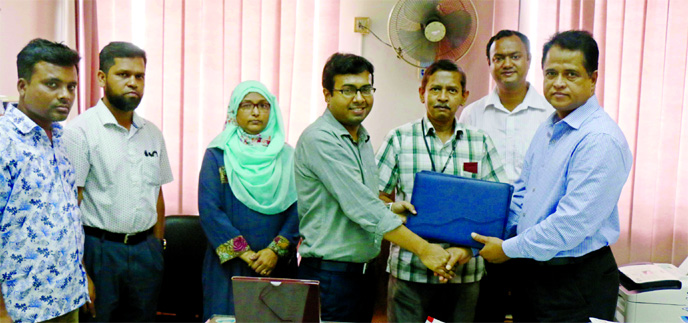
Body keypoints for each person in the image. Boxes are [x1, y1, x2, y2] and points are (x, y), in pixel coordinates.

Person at [473, 30, 633, 322]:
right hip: (534, 271)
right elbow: (523, 191)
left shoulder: (599, 139)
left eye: (571, 74)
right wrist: (500, 232)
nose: (558, 83)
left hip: (576, 280)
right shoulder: (550, 126)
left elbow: (571, 224)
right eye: (551, 73)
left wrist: (507, 249)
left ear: (592, 79)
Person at [294, 53, 453, 322]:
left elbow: (358, 200)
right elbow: (360, 207)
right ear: (327, 94)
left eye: (366, 89)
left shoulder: (361, 136)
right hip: (331, 276)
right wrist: (424, 249)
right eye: (348, 90)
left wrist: (390, 207)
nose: (359, 98)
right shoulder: (320, 139)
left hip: (362, 276)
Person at [376, 59, 507, 322]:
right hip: (410, 272)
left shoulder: (480, 142)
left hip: (465, 272)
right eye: (435, 89)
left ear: (464, 96)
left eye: (451, 90)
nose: (443, 97)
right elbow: (374, 198)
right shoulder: (399, 138)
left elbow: (497, 209)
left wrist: (465, 251)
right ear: (422, 93)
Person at [64, 42, 173, 322]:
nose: (133, 83)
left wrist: (156, 246)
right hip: (100, 252)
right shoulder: (80, 132)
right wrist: (80, 269)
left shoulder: (152, 133)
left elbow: (156, 194)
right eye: (123, 74)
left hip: (145, 252)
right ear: (102, 78)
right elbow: (69, 206)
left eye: (139, 76)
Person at [458, 29, 553, 322]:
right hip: (487, 229)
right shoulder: (473, 114)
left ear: (529, 60)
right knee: (486, 309)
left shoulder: (550, 114)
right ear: (490, 63)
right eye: (498, 57)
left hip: (535, 229)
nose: (506, 63)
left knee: (533, 308)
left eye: (514, 56)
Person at [0, 38, 91, 322]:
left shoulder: (61, 138)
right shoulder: (4, 142)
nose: (65, 94)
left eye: (71, 86)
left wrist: (81, 274)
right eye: (52, 84)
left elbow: (65, 217)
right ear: (23, 86)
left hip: (66, 296)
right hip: (21, 308)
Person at [198, 80, 299, 319]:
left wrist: (275, 251)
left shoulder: (287, 156)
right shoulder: (218, 154)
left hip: (276, 266)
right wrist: (244, 253)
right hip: (229, 267)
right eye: (247, 105)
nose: (255, 111)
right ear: (234, 110)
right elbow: (210, 210)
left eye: (263, 105)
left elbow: (299, 208)